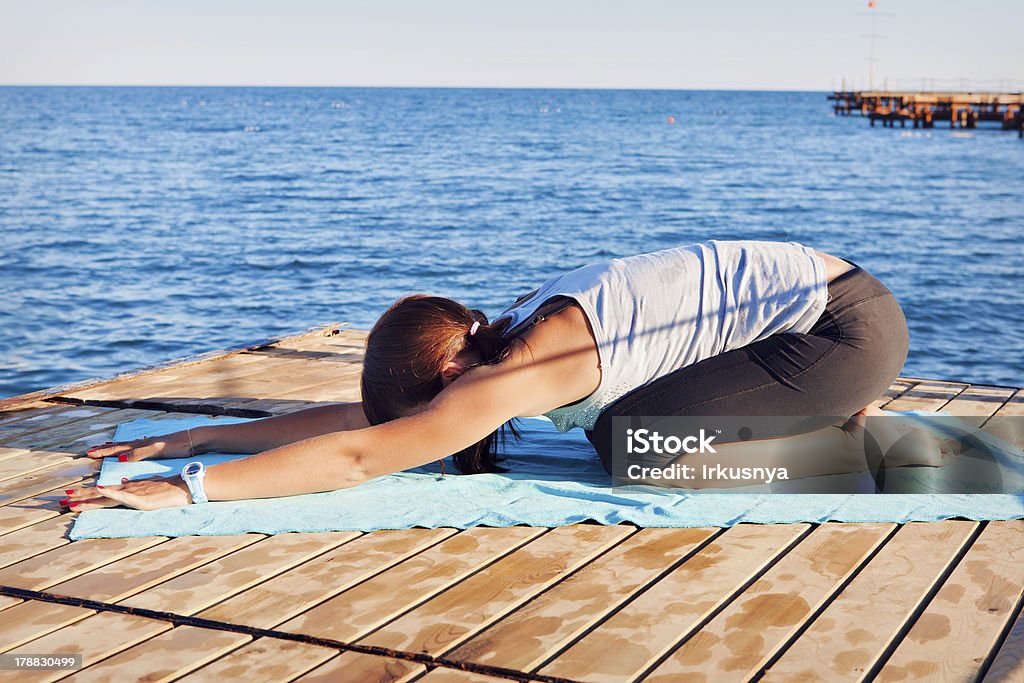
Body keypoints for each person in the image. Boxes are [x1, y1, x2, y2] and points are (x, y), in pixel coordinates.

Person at [66, 240, 917, 511]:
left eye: (437, 404)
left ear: (448, 369)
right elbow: (368, 429)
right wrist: (194, 436)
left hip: (845, 331)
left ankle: (834, 423)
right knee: (615, 434)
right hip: (827, 303)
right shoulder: (500, 330)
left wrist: (192, 489)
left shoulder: (523, 366)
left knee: (640, 454)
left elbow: (363, 458)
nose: (442, 426)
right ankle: (819, 399)